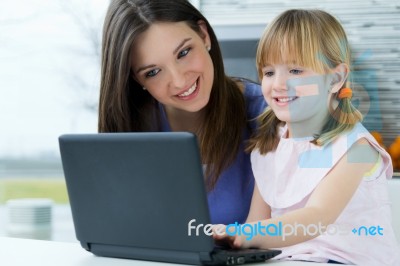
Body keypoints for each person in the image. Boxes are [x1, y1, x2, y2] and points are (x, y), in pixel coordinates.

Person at [213, 9, 400, 265]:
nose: (278, 83)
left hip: (347, 260)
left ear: (335, 78)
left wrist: (248, 234)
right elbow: (257, 223)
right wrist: (230, 240)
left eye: (296, 71)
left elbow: (317, 217)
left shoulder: (358, 148)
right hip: (289, 259)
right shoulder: (269, 145)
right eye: (269, 72)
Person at [97, 0, 267, 225]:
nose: (178, 81)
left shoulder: (269, 113)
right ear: (135, 79)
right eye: (153, 71)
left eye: (183, 52)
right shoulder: (132, 126)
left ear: (204, 35)